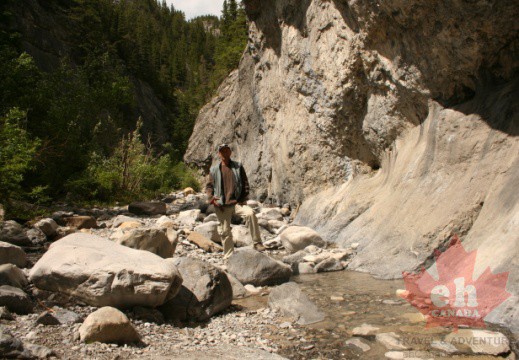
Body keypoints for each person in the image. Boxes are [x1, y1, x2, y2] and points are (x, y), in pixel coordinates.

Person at [205, 143, 266, 259]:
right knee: (225, 231)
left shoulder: (238, 167)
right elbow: (209, 187)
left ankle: (257, 242)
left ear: (230, 152)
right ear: (219, 154)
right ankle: (228, 257)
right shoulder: (214, 170)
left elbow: (245, 184)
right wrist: (212, 199)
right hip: (222, 205)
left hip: (237, 202)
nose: (225, 153)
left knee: (250, 213)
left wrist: (243, 198)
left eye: (227, 151)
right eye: (222, 151)